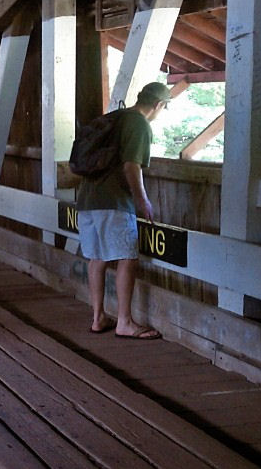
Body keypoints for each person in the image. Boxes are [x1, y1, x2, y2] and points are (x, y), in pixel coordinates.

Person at [76, 82, 170, 340]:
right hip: (113, 202)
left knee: (97, 258)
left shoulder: (114, 117)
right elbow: (131, 166)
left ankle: (98, 318)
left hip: (87, 201)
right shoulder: (139, 124)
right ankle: (125, 322)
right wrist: (142, 200)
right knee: (127, 258)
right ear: (159, 105)